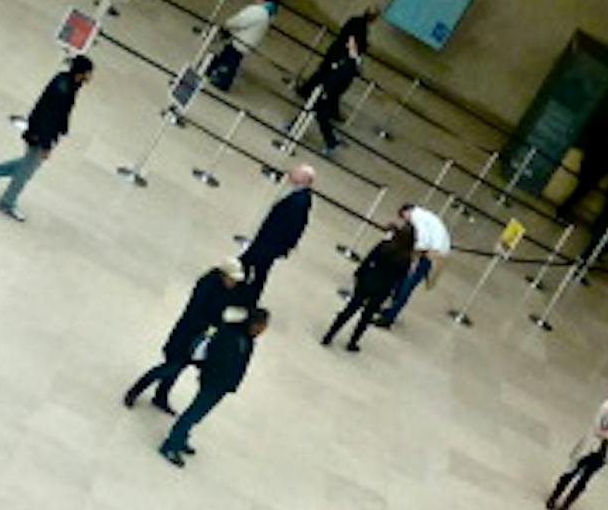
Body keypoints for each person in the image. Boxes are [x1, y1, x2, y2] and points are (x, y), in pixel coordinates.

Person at [0, 48, 92, 217]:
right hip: (40, 133)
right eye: (89, 72)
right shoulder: (64, 88)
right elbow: (49, 117)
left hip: (41, 132)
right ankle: (7, 202)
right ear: (81, 73)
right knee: (26, 171)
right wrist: (46, 144)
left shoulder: (68, 83)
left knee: (28, 164)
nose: (90, 76)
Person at [123, 259, 244, 410]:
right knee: (170, 367)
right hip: (186, 336)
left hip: (197, 338)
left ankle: (161, 396)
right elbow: (195, 313)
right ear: (222, 274)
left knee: (177, 369)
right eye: (232, 279)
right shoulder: (206, 287)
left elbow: (219, 313)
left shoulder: (224, 291)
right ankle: (135, 390)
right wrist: (210, 327)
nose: (234, 283)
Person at [160, 302, 268, 466]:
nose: (262, 330)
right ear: (252, 323)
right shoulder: (231, 334)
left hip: (223, 384)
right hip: (214, 381)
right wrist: (213, 377)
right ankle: (171, 444)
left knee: (199, 414)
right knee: (194, 413)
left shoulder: (248, 339)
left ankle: (181, 438)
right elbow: (216, 357)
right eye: (260, 326)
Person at [321, 223, 413, 352]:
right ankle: (352, 342)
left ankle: (329, 335)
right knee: (366, 317)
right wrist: (394, 294)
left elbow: (368, 259)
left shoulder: (385, 245)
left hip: (368, 280)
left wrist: (359, 274)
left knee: (350, 309)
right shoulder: (406, 258)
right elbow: (401, 278)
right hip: (383, 289)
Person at [550, 385, 608, 510]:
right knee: (571, 472)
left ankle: (565, 505)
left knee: (584, 480)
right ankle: (554, 497)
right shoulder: (606, 406)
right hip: (590, 446)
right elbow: (596, 428)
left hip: (604, 453)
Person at [238, 161, 317, 297]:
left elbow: (295, 226)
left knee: (248, 263)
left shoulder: (300, 201)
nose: (291, 173)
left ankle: (243, 292)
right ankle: (246, 293)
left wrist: (283, 247)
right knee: (258, 269)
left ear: (304, 179)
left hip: (271, 243)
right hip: (270, 241)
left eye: (296, 172)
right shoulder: (299, 196)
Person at [372, 201, 449, 326]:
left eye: (404, 217)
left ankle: (389, 317)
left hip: (430, 255)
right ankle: (389, 310)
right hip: (434, 253)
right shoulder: (425, 216)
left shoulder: (416, 217)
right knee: (403, 282)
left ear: (407, 212)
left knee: (406, 286)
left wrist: (412, 254)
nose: (405, 221)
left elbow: (423, 242)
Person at [303, 24, 364, 155]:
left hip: (329, 92)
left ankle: (331, 141)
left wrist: (326, 91)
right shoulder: (349, 59)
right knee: (314, 109)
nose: (348, 42)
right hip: (327, 90)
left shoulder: (350, 64)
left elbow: (339, 80)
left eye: (351, 41)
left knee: (320, 115)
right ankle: (296, 125)